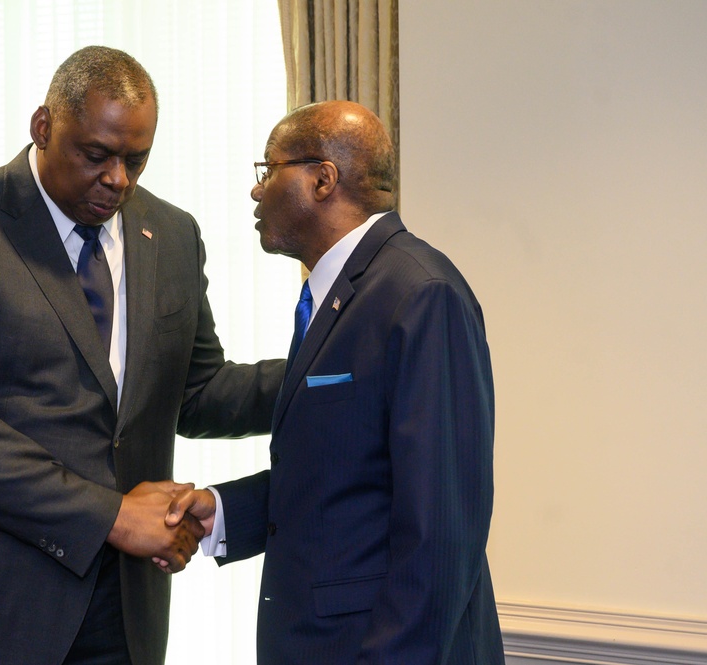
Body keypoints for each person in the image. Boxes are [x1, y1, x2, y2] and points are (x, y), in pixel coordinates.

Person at [0, 46, 284, 665]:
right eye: (96, 156)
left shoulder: (173, 233)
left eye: (136, 160)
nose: (118, 179)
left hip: (121, 607)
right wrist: (112, 515)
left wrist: (317, 373)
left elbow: (195, 391)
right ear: (43, 127)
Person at [167, 101, 505, 664]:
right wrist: (221, 512)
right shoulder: (342, 293)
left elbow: (442, 532)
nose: (256, 192)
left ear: (323, 178)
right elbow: (342, 476)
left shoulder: (420, 294)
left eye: (267, 170)